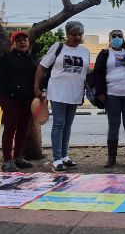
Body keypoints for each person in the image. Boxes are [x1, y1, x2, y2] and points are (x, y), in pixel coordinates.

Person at [34, 21, 90, 173]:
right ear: (67, 34)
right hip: (58, 91)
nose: (77, 37)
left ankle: (65, 156)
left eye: (80, 34)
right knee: (59, 123)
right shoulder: (57, 47)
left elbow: (85, 73)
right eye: (74, 35)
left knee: (68, 125)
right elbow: (42, 67)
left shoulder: (85, 51)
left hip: (75, 92)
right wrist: (36, 87)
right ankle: (57, 159)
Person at [91, 29, 125, 168]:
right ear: (109, 39)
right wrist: (100, 92)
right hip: (112, 94)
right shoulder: (105, 53)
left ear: (123, 38)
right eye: (114, 36)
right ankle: (111, 158)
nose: (117, 38)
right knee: (113, 124)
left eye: (119, 36)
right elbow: (97, 73)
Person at [0, 30, 37, 172]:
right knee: (10, 128)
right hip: (10, 99)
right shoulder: (6, 58)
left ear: (28, 42)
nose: (22, 42)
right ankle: (7, 160)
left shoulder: (31, 58)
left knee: (23, 128)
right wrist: (13, 91)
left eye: (25, 40)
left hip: (28, 99)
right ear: (13, 43)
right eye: (18, 40)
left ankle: (18, 157)